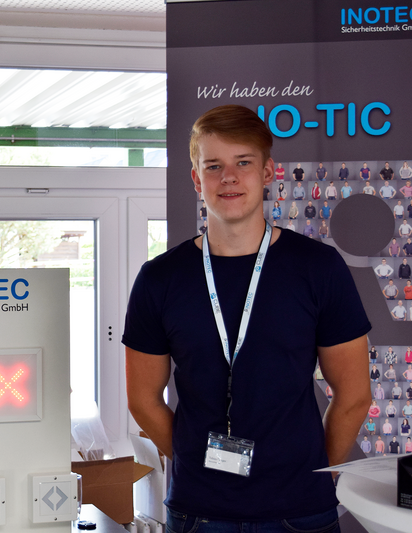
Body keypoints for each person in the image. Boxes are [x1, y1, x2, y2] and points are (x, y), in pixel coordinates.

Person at [124, 105, 370, 530]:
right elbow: (142, 400)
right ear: (196, 178)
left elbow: (354, 396)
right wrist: (193, 460)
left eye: (243, 163)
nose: (229, 177)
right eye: (213, 166)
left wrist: (310, 473)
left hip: (301, 511)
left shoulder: (318, 268)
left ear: (267, 171)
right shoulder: (159, 278)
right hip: (198, 513)